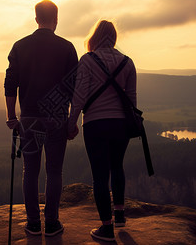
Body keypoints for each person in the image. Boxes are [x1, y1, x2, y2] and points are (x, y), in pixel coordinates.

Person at [4, 0, 78, 237]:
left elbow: (10, 84)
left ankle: (33, 223)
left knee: (30, 170)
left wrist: (10, 116)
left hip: (30, 117)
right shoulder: (67, 48)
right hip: (57, 117)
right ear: (56, 19)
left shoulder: (20, 46)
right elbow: (74, 88)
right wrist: (72, 120)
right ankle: (52, 223)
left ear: (36, 19)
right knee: (55, 171)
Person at [67, 20, 137, 242]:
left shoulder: (88, 60)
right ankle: (119, 214)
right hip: (121, 124)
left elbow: (79, 95)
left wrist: (72, 121)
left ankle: (106, 228)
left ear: (95, 37)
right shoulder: (128, 62)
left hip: (95, 123)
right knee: (117, 165)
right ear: (114, 38)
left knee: (100, 175)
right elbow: (132, 100)